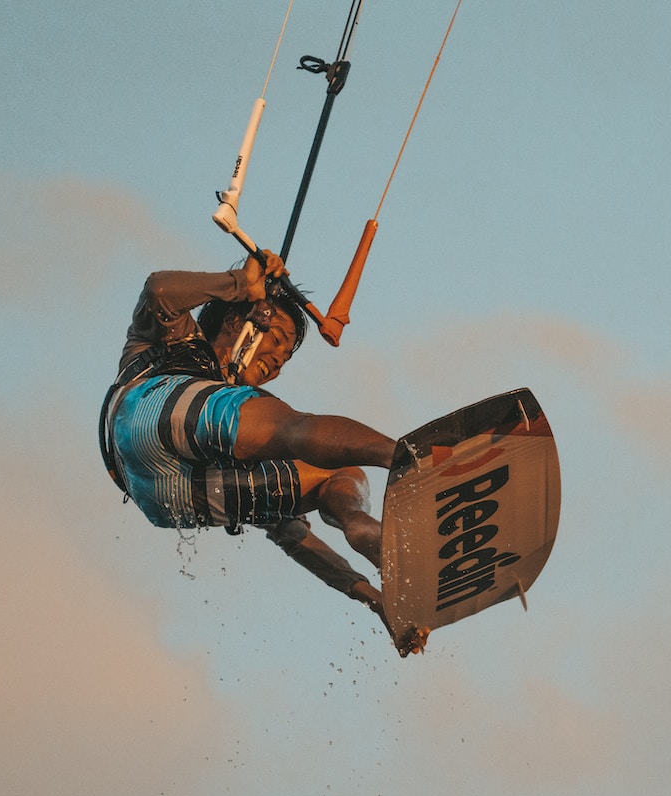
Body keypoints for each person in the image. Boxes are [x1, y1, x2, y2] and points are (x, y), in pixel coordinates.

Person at [99, 251, 426, 655]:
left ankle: (365, 530)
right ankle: (415, 459)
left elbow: (291, 535)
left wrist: (372, 598)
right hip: (143, 412)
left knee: (336, 477)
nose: (278, 362)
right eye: (277, 341)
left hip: (165, 498)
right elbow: (158, 290)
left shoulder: (229, 427)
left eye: (287, 357)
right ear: (239, 321)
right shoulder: (173, 337)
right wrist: (241, 284)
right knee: (291, 428)